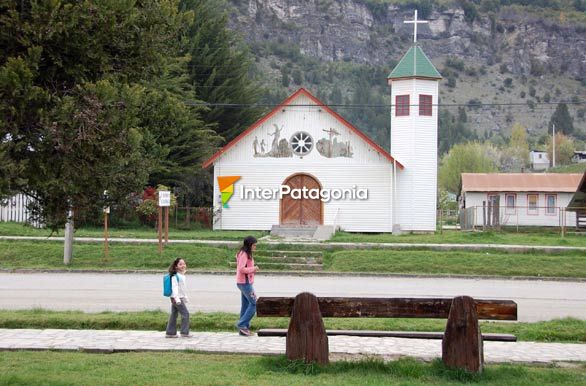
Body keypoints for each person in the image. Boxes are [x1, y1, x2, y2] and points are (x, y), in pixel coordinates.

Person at [235, 236, 259, 336]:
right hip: (244, 283)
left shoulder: (245, 253)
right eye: (254, 245)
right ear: (249, 245)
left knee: (245, 305)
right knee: (254, 304)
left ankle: (244, 329)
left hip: (244, 282)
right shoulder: (244, 254)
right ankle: (242, 324)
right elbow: (241, 269)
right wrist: (253, 268)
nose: (255, 247)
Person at [165, 258, 191, 338]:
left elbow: (182, 289)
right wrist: (177, 300)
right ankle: (184, 332)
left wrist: (185, 297)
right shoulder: (175, 276)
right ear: (176, 266)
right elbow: (175, 289)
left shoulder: (181, 275)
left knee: (174, 314)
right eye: (180, 264)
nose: (183, 265)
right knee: (185, 314)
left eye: (184, 264)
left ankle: (170, 333)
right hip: (176, 298)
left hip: (178, 298)